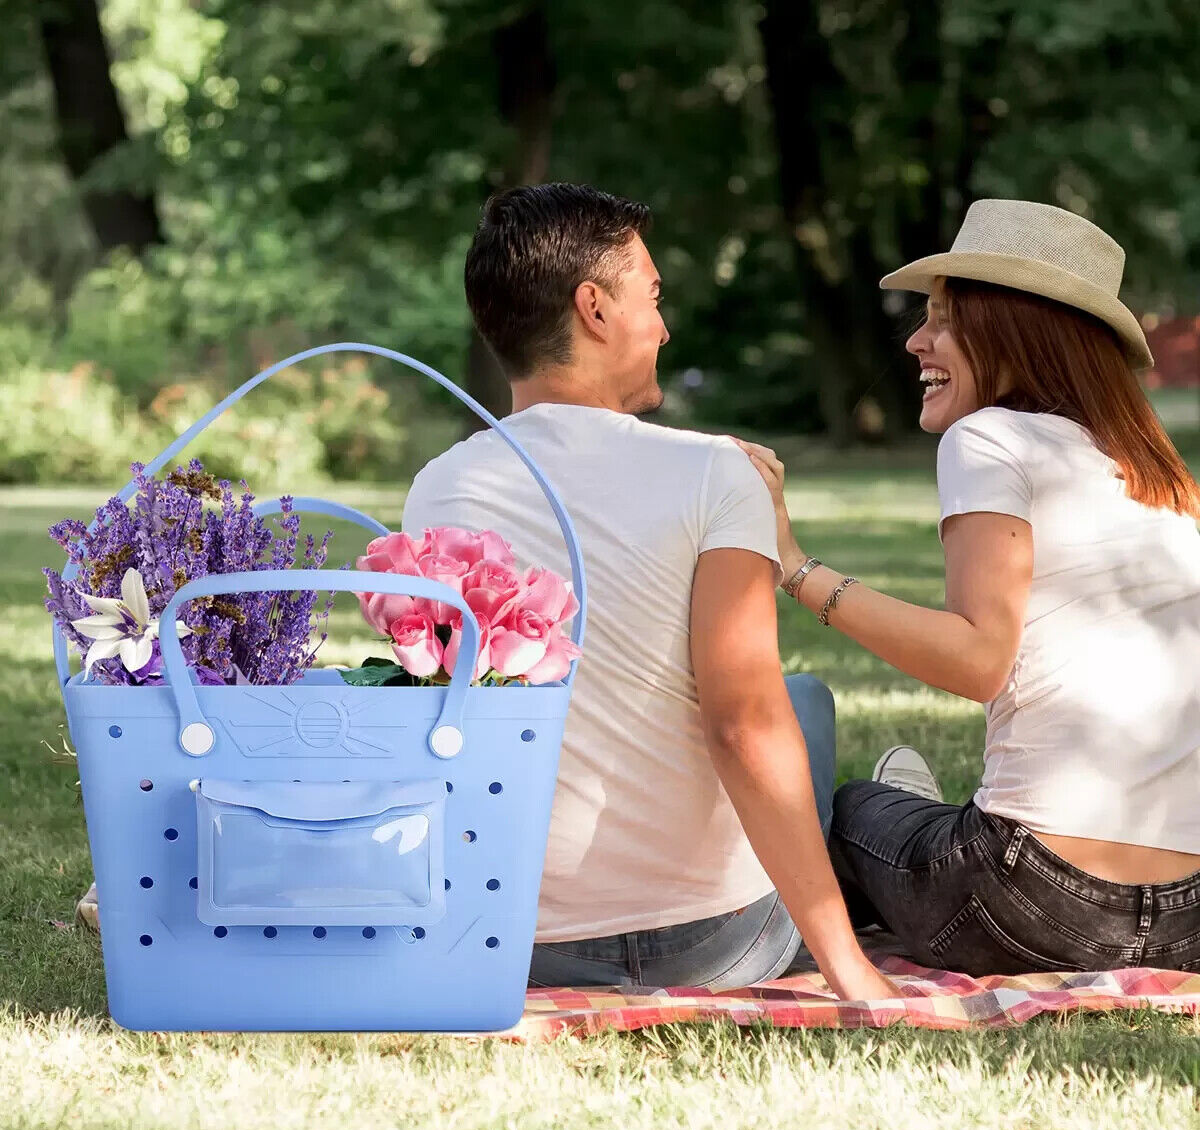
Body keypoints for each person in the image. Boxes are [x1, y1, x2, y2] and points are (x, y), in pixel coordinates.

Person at [402, 183, 898, 999]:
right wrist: (850, 969)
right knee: (796, 704)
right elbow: (743, 726)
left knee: (790, 697)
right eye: (654, 296)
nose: (665, 326)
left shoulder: (440, 490)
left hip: (520, 938)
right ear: (594, 309)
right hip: (712, 945)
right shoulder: (714, 471)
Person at [741, 199, 1200, 975]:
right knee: (913, 823)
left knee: (853, 809)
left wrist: (794, 567)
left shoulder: (988, 437)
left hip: (1033, 906)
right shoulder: (1160, 481)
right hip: (1186, 921)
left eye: (945, 320)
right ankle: (929, 822)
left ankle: (900, 839)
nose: (916, 340)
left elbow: (978, 660)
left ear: (1018, 329)